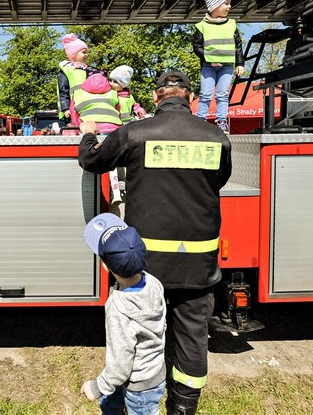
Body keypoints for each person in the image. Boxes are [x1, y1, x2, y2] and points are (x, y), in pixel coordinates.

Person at [78, 71, 232, 415]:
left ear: (155, 96)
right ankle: (182, 407)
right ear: (191, 97)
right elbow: (219, 180)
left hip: (148, 263)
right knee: (192, 334)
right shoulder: (216, 136)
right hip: (198, 262)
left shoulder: (136, 132)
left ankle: (134, 392)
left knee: (137, 331)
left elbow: (92, 161)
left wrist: (88, 135)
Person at [81, 212, 167, 415]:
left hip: (139, 386)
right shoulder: (154, 283)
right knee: (110, 404)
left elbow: (120, 364)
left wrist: (96, 387)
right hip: (154, 372)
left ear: (105, 266)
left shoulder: (118, 308)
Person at [192, 0, 245, 134]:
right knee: (206, 94)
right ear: (215, 5)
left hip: (227, 66)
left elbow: (238, 45)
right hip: (208, 67)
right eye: (226, 3)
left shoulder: (231, 24)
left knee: (222, 94)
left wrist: (240, 63)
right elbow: (196, 47)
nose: (229, 7)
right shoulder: (202, 25)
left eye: (229, 3)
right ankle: (200, 121)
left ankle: (222, 121)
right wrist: (210, 60)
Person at [59, 33, 101, 126]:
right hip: (72, 108)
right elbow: (63, 90)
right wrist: (65, 108)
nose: (86, 55)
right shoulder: (66, 70)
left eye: (87, 52)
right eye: (83, 52)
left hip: (88, 106)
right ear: (73, 53)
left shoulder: (89, 70)